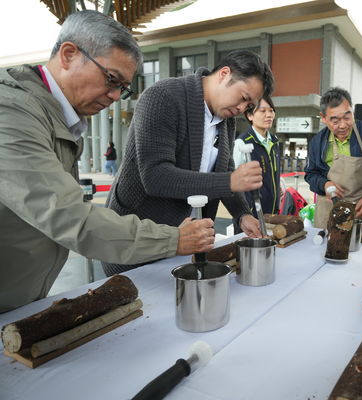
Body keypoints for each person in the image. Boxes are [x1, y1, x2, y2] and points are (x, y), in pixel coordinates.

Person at [0, 11, 214, 313]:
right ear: (69, 54)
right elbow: (67, 215)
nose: (115, 96)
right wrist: (172, 239)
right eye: (111, 79)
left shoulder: (57, 117)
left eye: (122, 87)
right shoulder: (11, 113)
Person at [103, 49, 274, 276]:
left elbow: (224, 171)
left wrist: (242, 214)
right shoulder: (163, 97)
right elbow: (155, 176)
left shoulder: (226, 121)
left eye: (249, 105)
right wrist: (230, 181)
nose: (242, 109)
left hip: (186, 245)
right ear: (224, 74)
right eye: (243, 98)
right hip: (138, 243)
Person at [304, 87, 362, 230]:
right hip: (328, 211)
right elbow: (310, 174)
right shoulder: (317, 142)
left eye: (347, 117)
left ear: (352, 111)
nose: (342, 125)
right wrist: (324, 184)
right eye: (335, 120)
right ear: (323, 118)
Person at [232, 95, 280, 226]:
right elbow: (233, 183)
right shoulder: (241, 143)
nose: (269, 115)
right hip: (251, 216)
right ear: (250, 115)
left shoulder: (274, 142)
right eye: (263, 111)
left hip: (272, 213)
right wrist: (243, 213)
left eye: (271, 110)